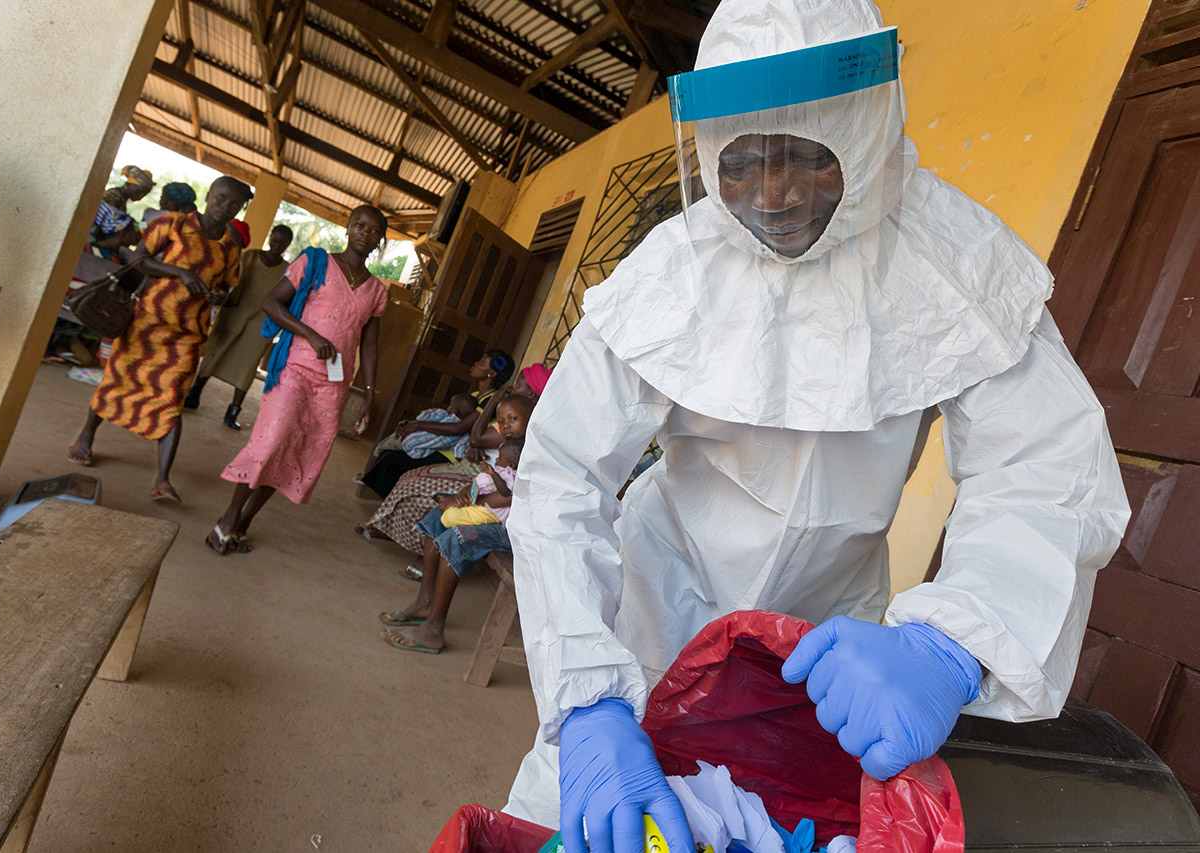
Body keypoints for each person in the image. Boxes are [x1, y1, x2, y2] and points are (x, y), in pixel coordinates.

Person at [502, 1, 1131, 850]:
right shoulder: (672, 271)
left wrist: (952, 641)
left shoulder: (951, 258)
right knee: (585, 820)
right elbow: (560, 474)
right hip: (659, 606)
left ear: (865, 133)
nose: (773, 192)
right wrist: (587, 702)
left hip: (826, 647)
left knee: (774, 820)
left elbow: (1047, 462)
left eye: (804, 153)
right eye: (741, 161)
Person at [205, 206, 388, 554]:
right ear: (348, 227)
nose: (366, 233)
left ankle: (243, 524)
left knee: (295, 453)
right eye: (360, 225)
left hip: (333, 385)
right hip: (294, 369)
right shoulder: (315, 262)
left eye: (374, 230)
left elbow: (371, 344)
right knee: (270, 442)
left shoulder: (377, 291)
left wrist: (368, 393)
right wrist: (311, 334)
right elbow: (271, 303)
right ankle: (228, 518)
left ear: (380, 240)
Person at [66, 175, 253, 503]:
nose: (226, 207)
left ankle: (163, 480)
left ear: (239, 209)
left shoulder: (230, 247)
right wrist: (181, 272)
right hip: (146, 323)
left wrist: (220, 297)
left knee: (171, 400)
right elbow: (139, 260)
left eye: (234, 204)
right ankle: (86, 435)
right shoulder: (173, 224)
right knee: (118, 381)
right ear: (209, 196)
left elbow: (226, 286)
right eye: (221, 198)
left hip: (187, 335)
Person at [379, 434, 526, 654]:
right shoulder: (523, 443)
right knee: (439, 516)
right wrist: (464, 496)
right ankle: (425, 602)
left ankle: (433, 630)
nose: (505, 425)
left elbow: (513, 497)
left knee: (457, 536)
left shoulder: (530, 459)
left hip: (516, 526)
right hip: (494, 508)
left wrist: (472, 502)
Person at [357, 376, 531, 558]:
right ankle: (386, 526)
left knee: (424, 495)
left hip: (484, 490)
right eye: (502, 421)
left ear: (530, 394)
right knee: (410, 477)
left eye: (518, 385)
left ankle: (423, 552)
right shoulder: (508, 424)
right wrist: (475, 447)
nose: (512, 387)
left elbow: (508, 490)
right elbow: (476, 439)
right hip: (477, 477)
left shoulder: (520, 439)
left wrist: (472, 495)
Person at [358, 349, 515, 499]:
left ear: (492, 373)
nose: (475, 363)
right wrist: (413, 426)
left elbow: (460, 427)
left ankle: (392, 505)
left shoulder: (492, 400)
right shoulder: (474, 396)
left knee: (393, 462)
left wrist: (419, 425)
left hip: (452, 454)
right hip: (442, 446)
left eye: (482, 362)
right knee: (390, 455)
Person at [185, 224, 294, 429]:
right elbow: (232, 281)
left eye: (282, 242)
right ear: (270, 238)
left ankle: (233, 410)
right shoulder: (250, 256)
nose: (277, 245)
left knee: (248, 364)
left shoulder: (287, 270)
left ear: (288, 245)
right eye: (275, 240)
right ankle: (194, 394)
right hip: (234, 312)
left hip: (261, 322)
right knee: (215, 353)